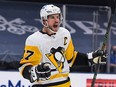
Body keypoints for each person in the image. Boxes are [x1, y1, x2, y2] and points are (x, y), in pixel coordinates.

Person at [19, 4, 106, 87]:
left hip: (66, 84)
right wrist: (33, 72)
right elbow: (24, 67)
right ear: (44, 20)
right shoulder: (34, 40)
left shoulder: (64, 34)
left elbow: (71, 58)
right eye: (52, 17)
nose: (56, 20)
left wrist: (90, 58)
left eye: (58, 16)